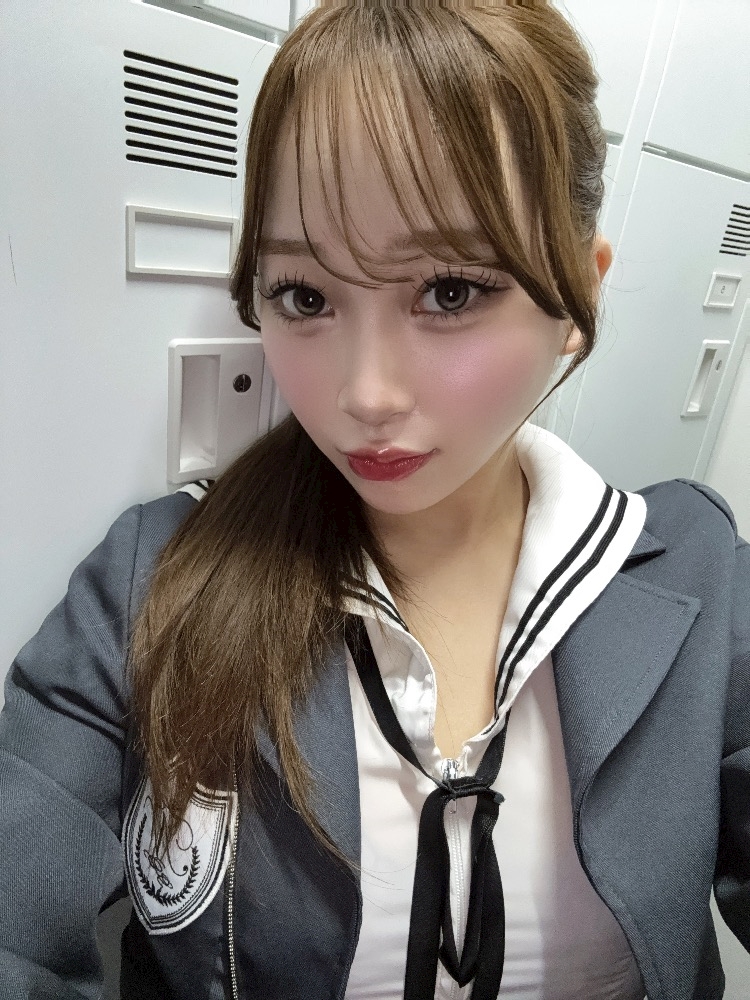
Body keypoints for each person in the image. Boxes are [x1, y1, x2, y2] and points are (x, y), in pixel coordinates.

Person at [1, 1, 748, 997]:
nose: (365, 395)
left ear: (578, 295)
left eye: (450, 290)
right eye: (305, 296)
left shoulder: (705, 581)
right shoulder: (150, 583)